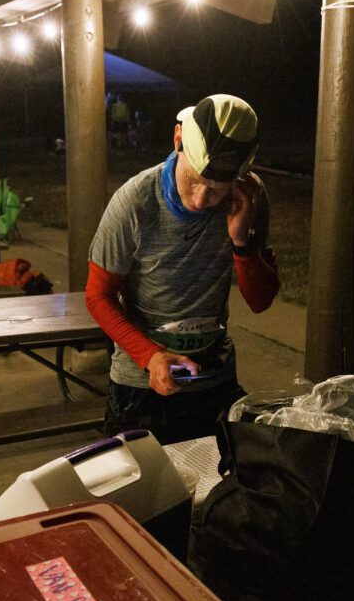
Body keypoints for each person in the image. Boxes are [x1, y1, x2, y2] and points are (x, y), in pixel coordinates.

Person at [86, 94, 280, 444]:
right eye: (194, 180)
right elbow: (97, 296)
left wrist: (243, 243)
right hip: (141, 383)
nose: (203, 199)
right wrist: (150, 356)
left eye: (219, 189)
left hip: (215, 377)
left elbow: (261, 300)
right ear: (178, 140)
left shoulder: (248, 198)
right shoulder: (135, 202)